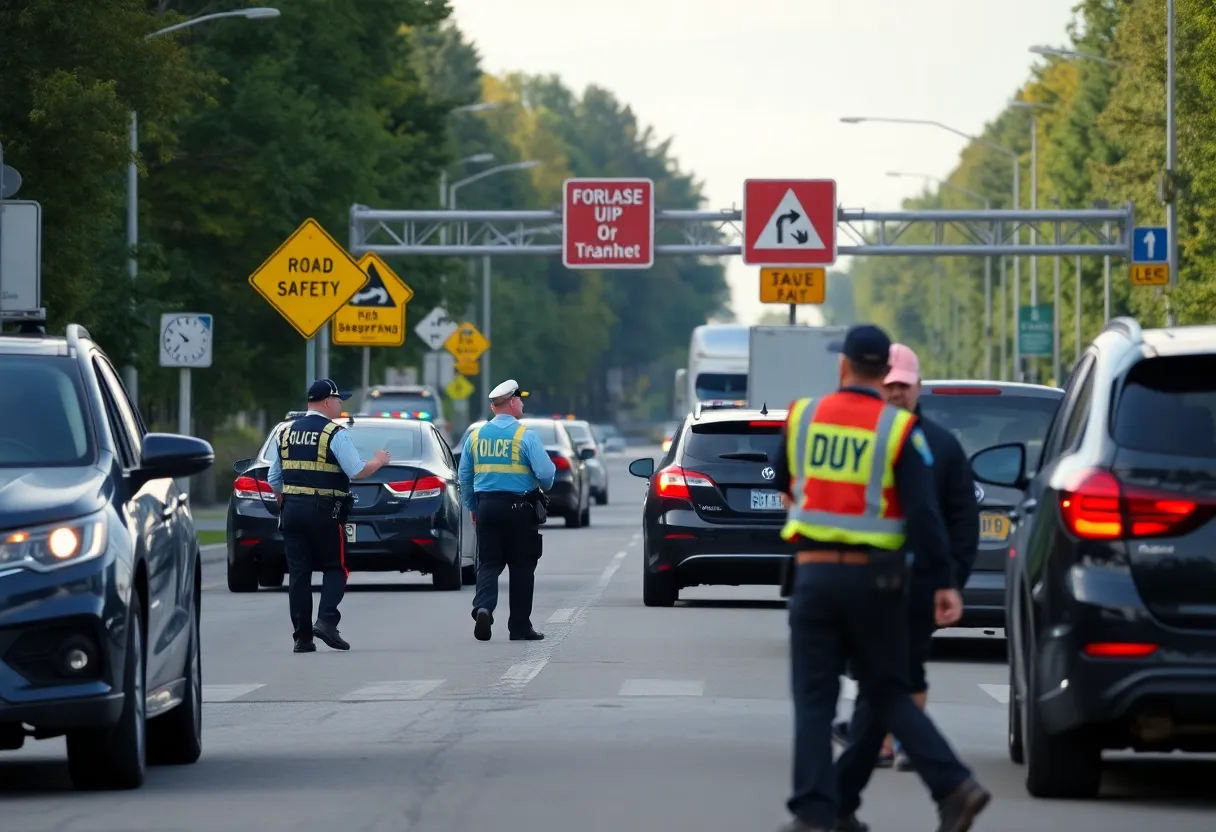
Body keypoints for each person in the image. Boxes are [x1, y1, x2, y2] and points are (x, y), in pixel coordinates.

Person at [776, 325, 989, 832]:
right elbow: (925, 516)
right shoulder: (900, 432)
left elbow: (785, 481)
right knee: (889, 691)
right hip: (880, 583)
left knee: (814, 701)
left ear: (843, 367)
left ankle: (813, 813)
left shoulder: (803, 416)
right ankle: (954, 786)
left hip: (815, 577)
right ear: (883, 374)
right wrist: (944, 583)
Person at [833, 343, 980, 771]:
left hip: (916, 582)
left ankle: (896, 747)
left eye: (903, 385)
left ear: (919, 387)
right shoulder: (859, 439)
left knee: (906, 665)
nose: (895, 393)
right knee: (872, 664)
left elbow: (960, 520)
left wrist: (952, 578)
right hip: (863, 576)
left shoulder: (939, 445)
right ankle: (885, 744)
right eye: (889, 385)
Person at [267, 379, 391, 653]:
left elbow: (273, 477)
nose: (340, 404)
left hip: (291, 511)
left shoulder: (286, 433)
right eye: (338, 399)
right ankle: (326, 621)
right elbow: (356, 470)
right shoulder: (333, 433)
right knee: (336, 567)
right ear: (326, 401)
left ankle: (302, 638)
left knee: (299, 573)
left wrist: (283, 495)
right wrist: (379, 461)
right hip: (324, 511)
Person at [458, 379, 556, 642]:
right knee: (522, 566)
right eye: (520, 399)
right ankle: (519, 626)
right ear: (511, 402)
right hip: (520, 510)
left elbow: (464, 477)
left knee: (488, 564)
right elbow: (547, 474)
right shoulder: (525, 436)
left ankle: (483, 608)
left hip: (487, 507)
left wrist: (473, 506)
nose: (522, 403)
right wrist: (540, 484)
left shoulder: (475, 436)